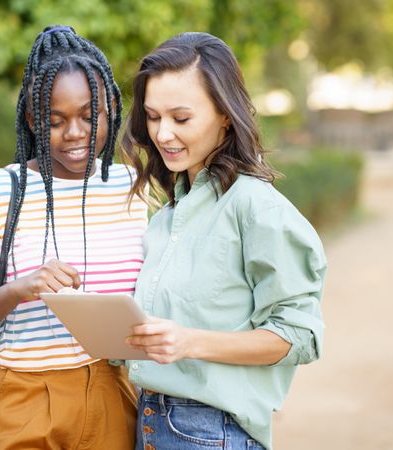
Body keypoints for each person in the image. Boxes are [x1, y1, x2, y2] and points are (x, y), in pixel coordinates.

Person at [0, 25, 148, 450]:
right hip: (23, 399)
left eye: (90, 116)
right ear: (33, 120)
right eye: (55, 120)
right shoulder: (0, 192)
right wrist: (16, 290)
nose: (74, 133)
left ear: (111, 111)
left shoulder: (134, 188)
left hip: (112, 393)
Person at [121, 32, 326, 450]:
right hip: (147, 423)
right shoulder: (167, 215)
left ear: (225, 116)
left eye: (181, 118)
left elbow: (299, 336)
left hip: (211, 434)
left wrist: (188, 341)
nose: (162, 135)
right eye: (153, 117)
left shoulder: (256, 208)